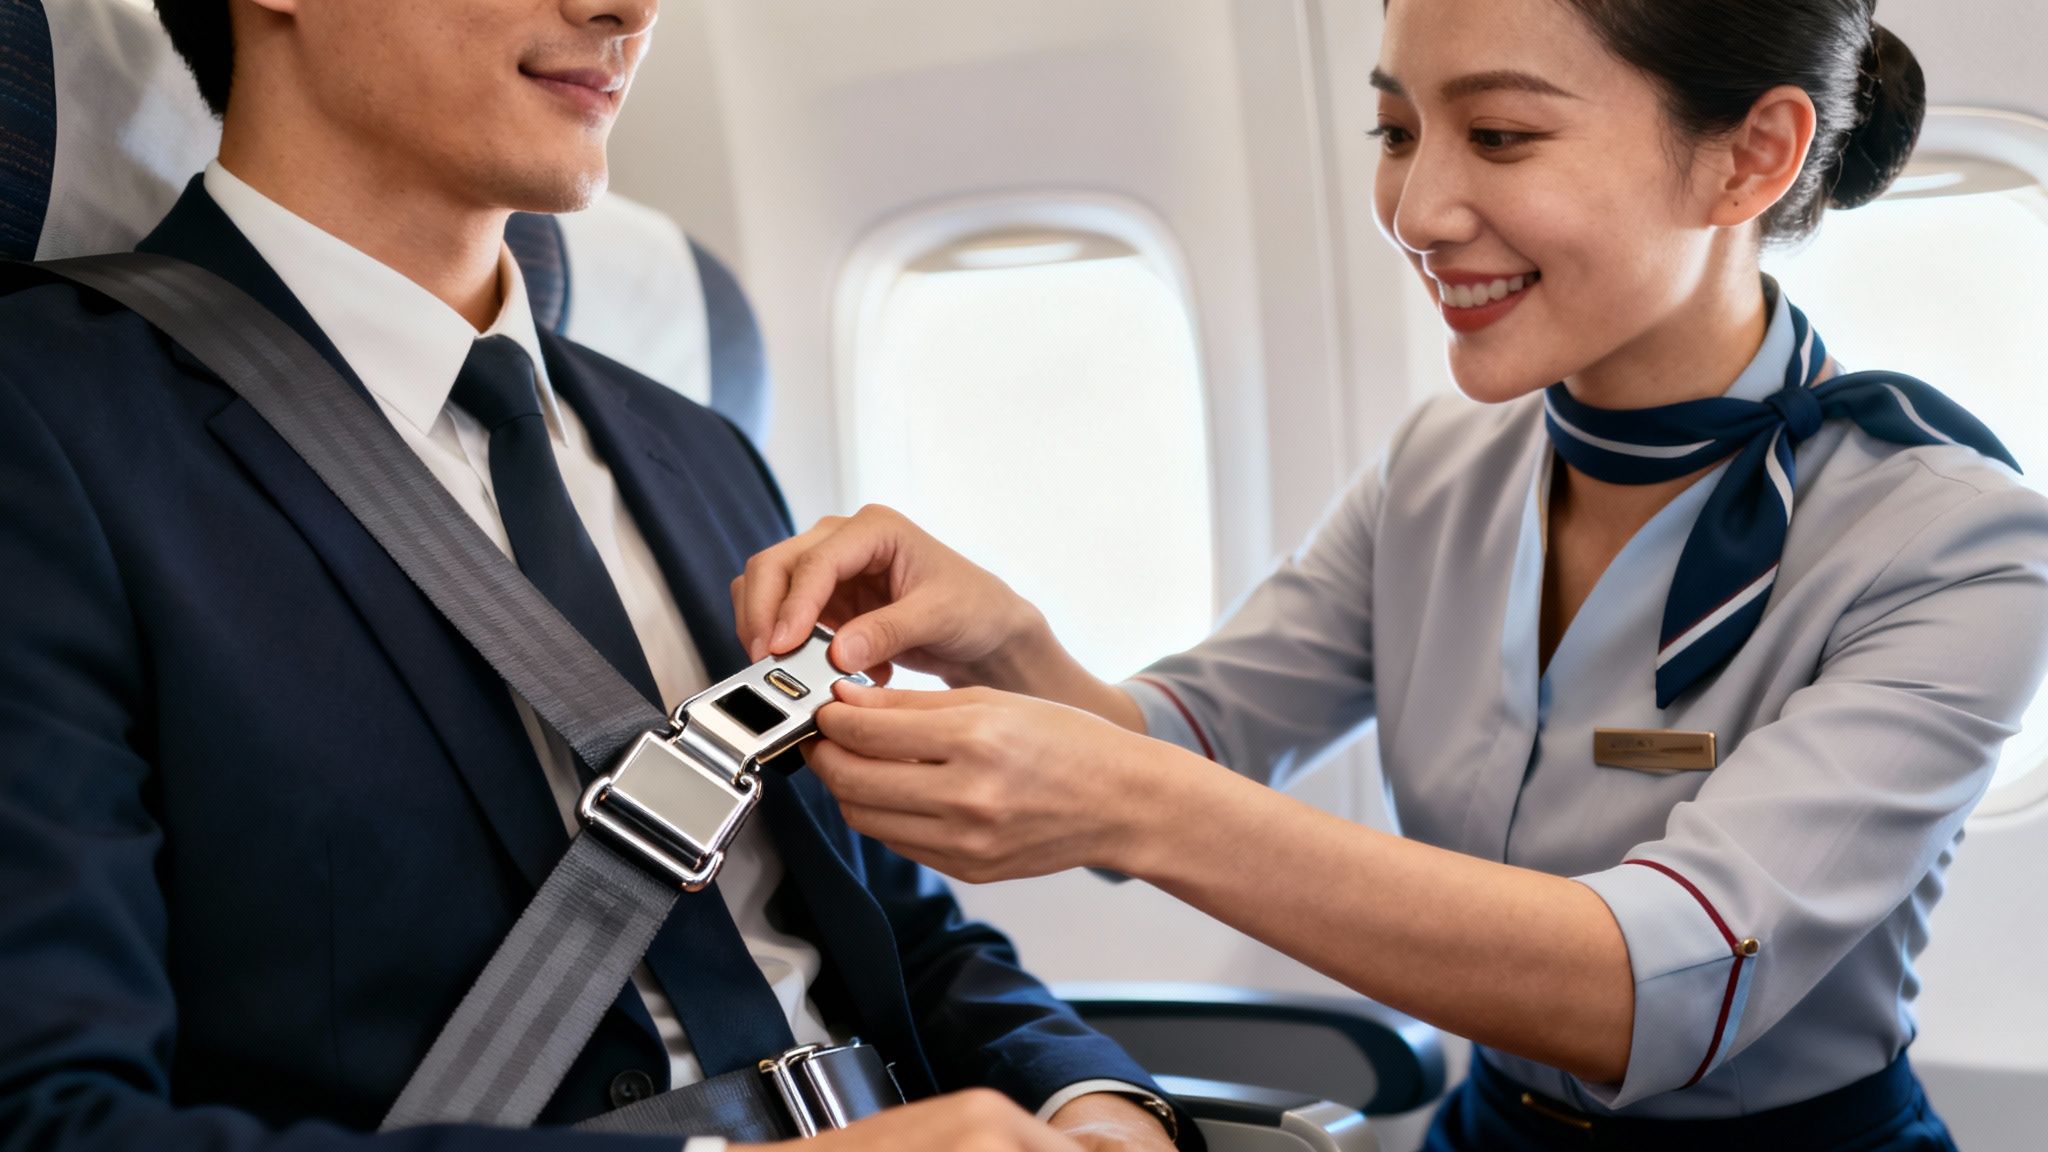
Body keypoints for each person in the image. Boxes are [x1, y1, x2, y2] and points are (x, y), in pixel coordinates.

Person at [733, 1, 2048, 1148]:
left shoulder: (1955, 545)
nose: (1417, 212)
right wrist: (1009, 645)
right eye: (1398, 130)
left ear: (1749, 158)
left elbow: (1658, 985)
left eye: (1502, 136)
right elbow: (1199, 737)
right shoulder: (1444, 466)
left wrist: (1135, 806)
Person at [0, 1, 1190, 1150]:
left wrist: (1093, 1102)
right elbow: (59, 1121)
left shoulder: (697, 450)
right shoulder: (48, 430)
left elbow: (889, 923)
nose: (627, 8)